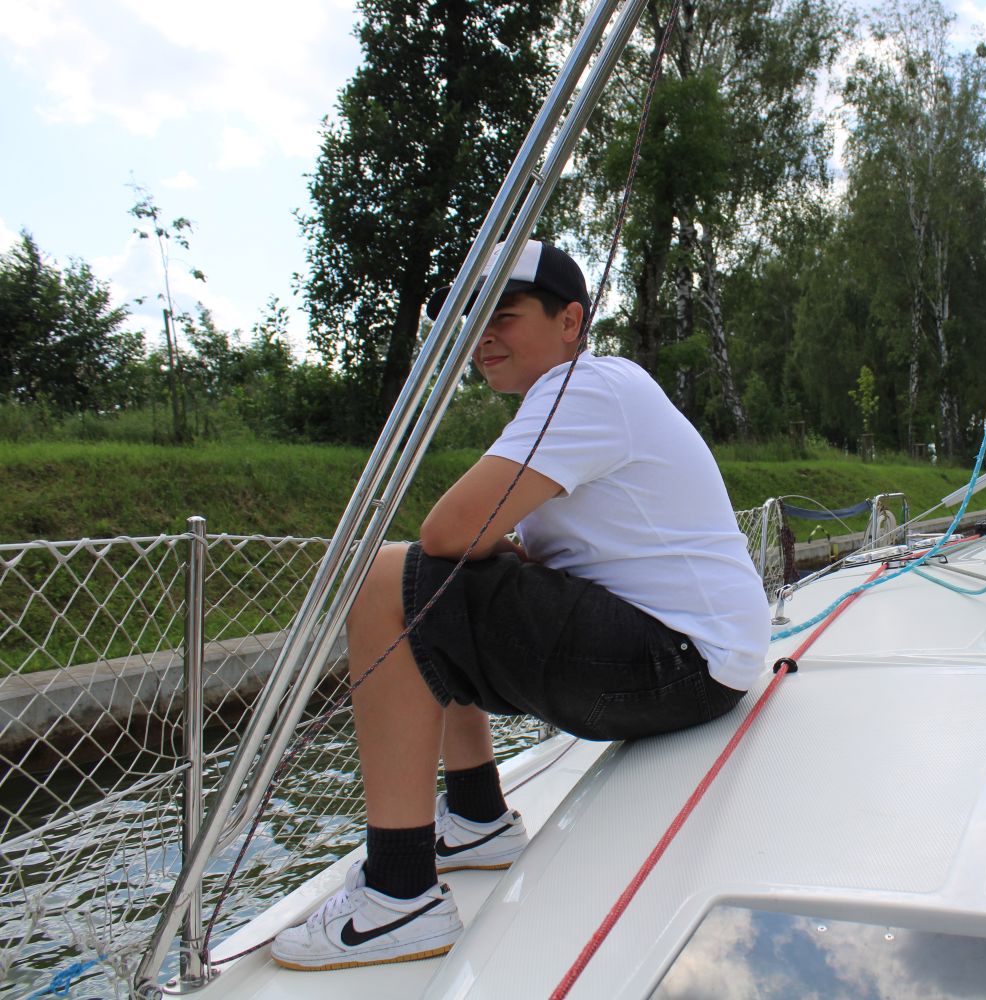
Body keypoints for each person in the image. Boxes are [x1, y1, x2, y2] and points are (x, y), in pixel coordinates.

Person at [271, 240, 770, 971]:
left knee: (385, 582)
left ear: (570, 321)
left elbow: (448, 531)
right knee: (439, 583)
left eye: (503, 316)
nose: (483, 338)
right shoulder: (593, 390)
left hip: (681, 663)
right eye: (475, 323)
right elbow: (473, 542)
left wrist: (481, 552)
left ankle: (398, 898)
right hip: (701, 660)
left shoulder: (584, 391)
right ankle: (475, 818)